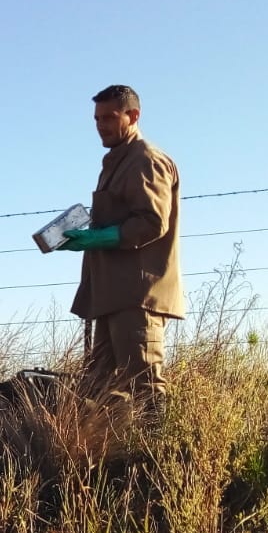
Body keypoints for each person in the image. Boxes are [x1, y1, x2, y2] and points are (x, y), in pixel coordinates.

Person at [59, 85, 184, 416]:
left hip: (137, 294)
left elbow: (152, 222)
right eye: (97, 118)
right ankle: (105, 457)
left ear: (133, 115)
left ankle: (159, 458)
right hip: (112, 294)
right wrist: (87, 236)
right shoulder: (117, 162)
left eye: (110, 117)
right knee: (95, 387)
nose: (101, 125)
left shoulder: (146, 159)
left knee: (146, 385)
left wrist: (98, 239)